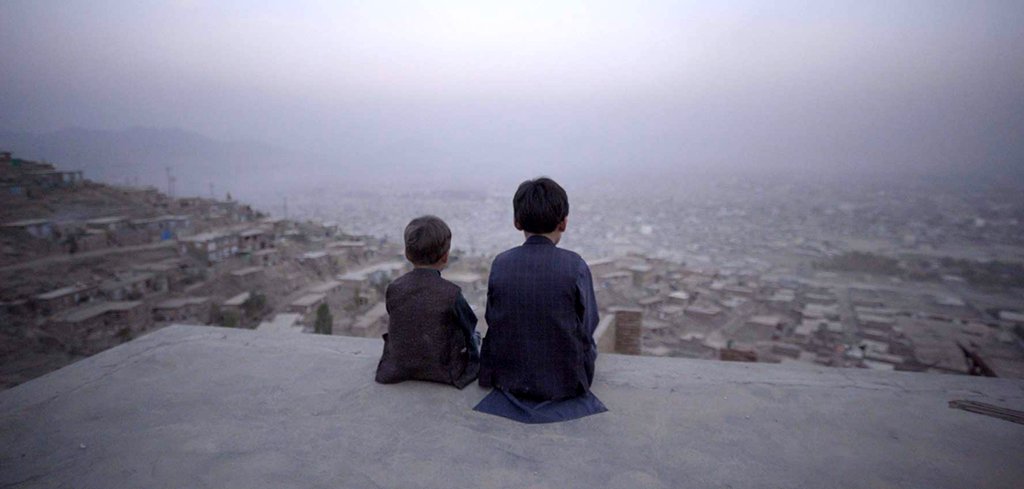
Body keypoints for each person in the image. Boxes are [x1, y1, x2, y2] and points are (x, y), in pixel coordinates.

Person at [475, 177, 606, 423]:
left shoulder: (501, 263)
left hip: (506, 376)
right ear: (563, 223)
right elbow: (589, 324)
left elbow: (493, 317)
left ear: (517, 222)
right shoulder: (575, 265)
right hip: (565, 381)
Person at [375, 215, 480, 388]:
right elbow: (469, 325)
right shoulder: (452, 293)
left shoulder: (394, 287)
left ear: (407, 254)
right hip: (442, 369)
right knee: (475, 336)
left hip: (399, 365)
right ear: (445, 257)